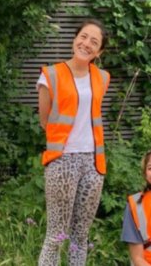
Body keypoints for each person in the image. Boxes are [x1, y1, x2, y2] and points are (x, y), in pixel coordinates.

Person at [37, 19, 111, 266]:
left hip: (93, 161)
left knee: (81, 235)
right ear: (74, 39)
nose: (86, 43)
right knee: (56, 235)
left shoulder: (103, 77)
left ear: (99, 52)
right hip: (62, 160)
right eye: (83, 36)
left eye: (94, 42)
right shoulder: (51, 75)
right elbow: (45, 119)